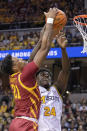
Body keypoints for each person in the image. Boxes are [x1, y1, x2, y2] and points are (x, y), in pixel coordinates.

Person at [0, 8, 58, 131]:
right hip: (26, 124)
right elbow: (45, 48)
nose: (22, 60)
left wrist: (46, 25)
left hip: (16, 123)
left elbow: (34, 54)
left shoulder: (13, 77)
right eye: (18, 60)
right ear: (15, 67)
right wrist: (51, 20)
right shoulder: (24, 75)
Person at [36, 32, 70, 131]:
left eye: (48, 76)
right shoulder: (34, 90)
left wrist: (63, 49)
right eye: (42, 75)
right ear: (36, 79)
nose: (45, 76)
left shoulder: (56, 89)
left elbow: (65, 71)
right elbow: (31, 62)